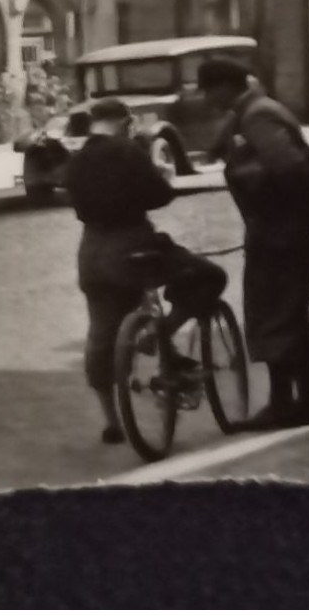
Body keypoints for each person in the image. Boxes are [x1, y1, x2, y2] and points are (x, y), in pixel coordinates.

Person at [65, 98, 228, 445]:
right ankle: (159, 334)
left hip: (92, 254)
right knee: (209, 276)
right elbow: (159, 195)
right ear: (126, 123)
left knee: (101, 335)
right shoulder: (128, 151)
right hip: (134, 248)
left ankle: (112, 421)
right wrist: (162, 176)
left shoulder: (77, 161)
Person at [198, 57, 309, 431]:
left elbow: (290, 168)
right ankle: (306, 401)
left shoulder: (258, 115)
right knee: (291, 312)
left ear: (226, 86)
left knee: (272, 313)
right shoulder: (254, 110)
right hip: (287, 228)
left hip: (280, 231)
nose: (206, 97)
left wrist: (275, 212)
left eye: (209, 89)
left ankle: (283, 403)